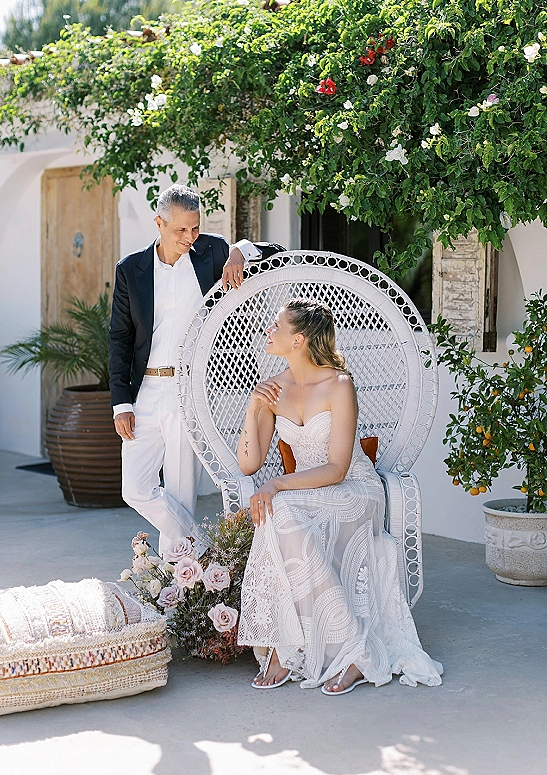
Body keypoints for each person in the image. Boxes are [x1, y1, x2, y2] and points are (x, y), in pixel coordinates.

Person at [237, 298, 443, 694]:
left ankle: (323, 653)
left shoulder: (338, 385)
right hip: (305, 493)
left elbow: (337, 468)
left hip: (355, 490)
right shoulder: (272, 388)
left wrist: (277, 483)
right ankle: (300, 645)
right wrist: (253, 407)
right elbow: (249, 464)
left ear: (298, 340)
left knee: (278, 508)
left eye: (276, 327)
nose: (268, 331)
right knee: (277, 515)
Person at [109, 183, 283, 553]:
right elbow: (120, 338)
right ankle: (204, 551)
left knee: (180, 490)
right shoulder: (131, 270)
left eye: (195, 228)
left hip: (189, 391)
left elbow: (277, 252)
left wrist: (239, 251)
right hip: (145, 392)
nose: (189, 237)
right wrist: (121, 402)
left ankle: (182, 583)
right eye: (180, 230)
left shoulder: (211, 252)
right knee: (135, 488)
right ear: (159, 223)